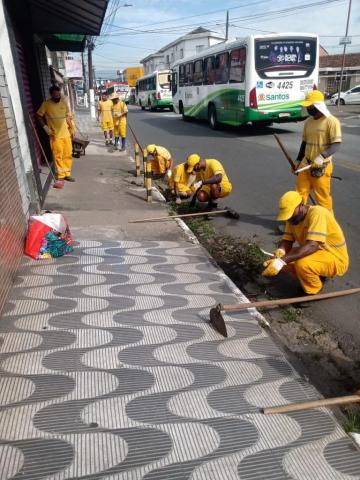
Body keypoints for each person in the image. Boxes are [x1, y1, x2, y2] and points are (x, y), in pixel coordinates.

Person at [262, 191, 349, 295]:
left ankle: (314, 290)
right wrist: (281, 251)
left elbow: (312, 246)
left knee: (302, 264)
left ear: (301, 205)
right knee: (279, 261)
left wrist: (282, 261)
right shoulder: (293, 219)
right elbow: (287, 240)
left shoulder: (318, 213)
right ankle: (316, 275)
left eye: (291, 215)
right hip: (317, 253)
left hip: (335, 257)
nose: (289, 219)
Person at [295, 90, 341, 211]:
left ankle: (326, 225)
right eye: (308, 106)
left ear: (318, 105)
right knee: (299, 194)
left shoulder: (331, 121)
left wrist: (321, 157)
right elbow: (304, 143)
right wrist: (298, 161)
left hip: (321, 166)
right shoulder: (308, 122)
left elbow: (336, 144)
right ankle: (298, 223)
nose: (309, 109)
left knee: (322, 198)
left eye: (310, 106)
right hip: (306, 163)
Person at [37, 85, 75, 189]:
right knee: (58, 156)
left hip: (66, 134)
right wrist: (45, 128)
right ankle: (61, 176)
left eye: (59, 94)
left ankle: (67, 174)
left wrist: (72, 129)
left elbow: (67, 117)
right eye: (55, 95)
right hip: (55, 136)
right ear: (51, 94)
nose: (57, 96)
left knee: (68, 154)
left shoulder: (63, 103)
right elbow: (39, 116)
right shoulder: (46, 104)